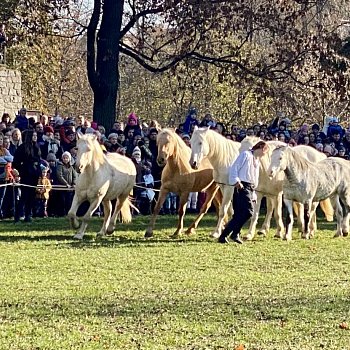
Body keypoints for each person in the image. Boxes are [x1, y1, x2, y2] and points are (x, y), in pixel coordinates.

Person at [218, 140, 269, 244]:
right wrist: (236, 181)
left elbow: (254, 177)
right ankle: (230, 233)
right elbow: (234, 168)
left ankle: (229, 234)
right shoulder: (245, 155)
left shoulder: (256, 160)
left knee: (239, 214)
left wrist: (253, 192)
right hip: (242, 186)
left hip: (250, 187)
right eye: (265, 151)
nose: (265, 154)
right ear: (261, 148)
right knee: (248, 211)